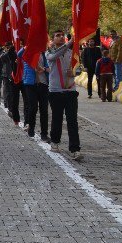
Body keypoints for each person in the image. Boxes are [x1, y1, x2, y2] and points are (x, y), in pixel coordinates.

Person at [46, 30, 82, 160]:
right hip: (55, 92)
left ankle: (75, 149)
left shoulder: (71, 53)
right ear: (52, 39)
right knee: (57, 118)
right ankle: (55, 141)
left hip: (70, 91)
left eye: (62, 36)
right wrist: (70, 43)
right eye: (58, 36)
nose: (61, 37)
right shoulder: (50, 52)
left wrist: (74, 73)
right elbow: (53, 57)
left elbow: (78, 68)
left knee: (72, 120)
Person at [18, 47, 50, 141]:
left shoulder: (45, 54)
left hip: (43, 83)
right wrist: (28, 45)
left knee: (44, 109)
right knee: (33, 107)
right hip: (30, 83)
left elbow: (49, 68)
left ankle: (44, 133)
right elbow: (19, 54)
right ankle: (31, 129)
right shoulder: (28, 52)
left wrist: (43, 69)